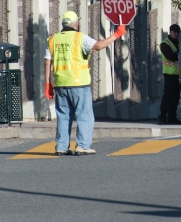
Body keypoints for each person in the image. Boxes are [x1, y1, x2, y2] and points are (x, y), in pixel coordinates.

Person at [43, 10, 123, 156]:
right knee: (84, 115)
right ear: (76, 24)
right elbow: (98, 46)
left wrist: (47, 84)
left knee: (63, 116)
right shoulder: (80, 38)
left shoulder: (52, 39)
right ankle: (82, 145)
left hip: (60, 83)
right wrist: (116, 35)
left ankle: (61, 146)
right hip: (79, 83)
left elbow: (47, 62)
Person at [157, 24, 181, 124]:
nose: (176, 34)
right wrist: (179, 55)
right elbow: (170, 57)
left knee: (176, 97)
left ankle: (172, 117)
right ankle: (162, 117)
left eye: (177, 32)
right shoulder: (165, 44)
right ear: (170, 32)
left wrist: (178, 55)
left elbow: (180, 55)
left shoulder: (180, 43)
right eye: (174, 32)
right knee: (167, 96)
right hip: (169, 73)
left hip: (179, 74)